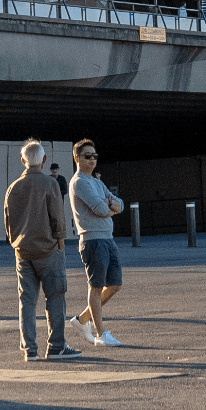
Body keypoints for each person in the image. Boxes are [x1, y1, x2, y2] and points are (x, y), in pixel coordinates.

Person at [6, 139, 80, 361]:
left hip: (22, 252)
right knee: (55, 297)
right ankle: (56, 346)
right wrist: (60, 241)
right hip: (48, 250)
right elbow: (57, 217)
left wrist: (16, 243)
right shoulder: (50, 184)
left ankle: (29, 349)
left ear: (23, 161)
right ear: (44, 160)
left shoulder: (13, 187)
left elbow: (8, 223)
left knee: (26, 300)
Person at [68, 139, 125, 347]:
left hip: (108, 239)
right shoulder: (79, 182)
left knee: (115, 284)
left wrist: (110, 205)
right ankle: (101, 334)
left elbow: (121, 204)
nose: (92, 160)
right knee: (96, 286)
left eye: (94, 156)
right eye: (87, 156)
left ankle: (82, 319)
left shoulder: (97, 182)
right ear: (77, 158)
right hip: (93, 240)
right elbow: (101, 210)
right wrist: (110, 207)